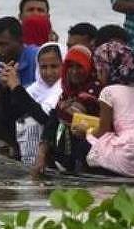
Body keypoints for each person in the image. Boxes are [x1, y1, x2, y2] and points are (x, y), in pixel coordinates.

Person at [77, 41, 134, 178]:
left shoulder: (108, 92)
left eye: (100, 70)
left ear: (108, 68)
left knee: (83, 145)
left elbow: (103, 131)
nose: (98, 75)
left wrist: (86, 132)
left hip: (130, 158)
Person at [32, 45, 101, 176]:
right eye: (70, 66)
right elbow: (52, 122)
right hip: (64, 158)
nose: (74, 71)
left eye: (79, 66)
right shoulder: (66, 93)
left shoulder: (96, 91)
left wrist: (71, 111)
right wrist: (41, 155)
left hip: (88, 158)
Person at [0, 42, 63, 166]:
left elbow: (44, 117)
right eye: (43, 67)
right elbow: (11, 115)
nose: (48, 72)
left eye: (54, 66)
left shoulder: (63, 89)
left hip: (54, 154)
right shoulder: (35, 89)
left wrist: (16, 88)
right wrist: (6, 88)